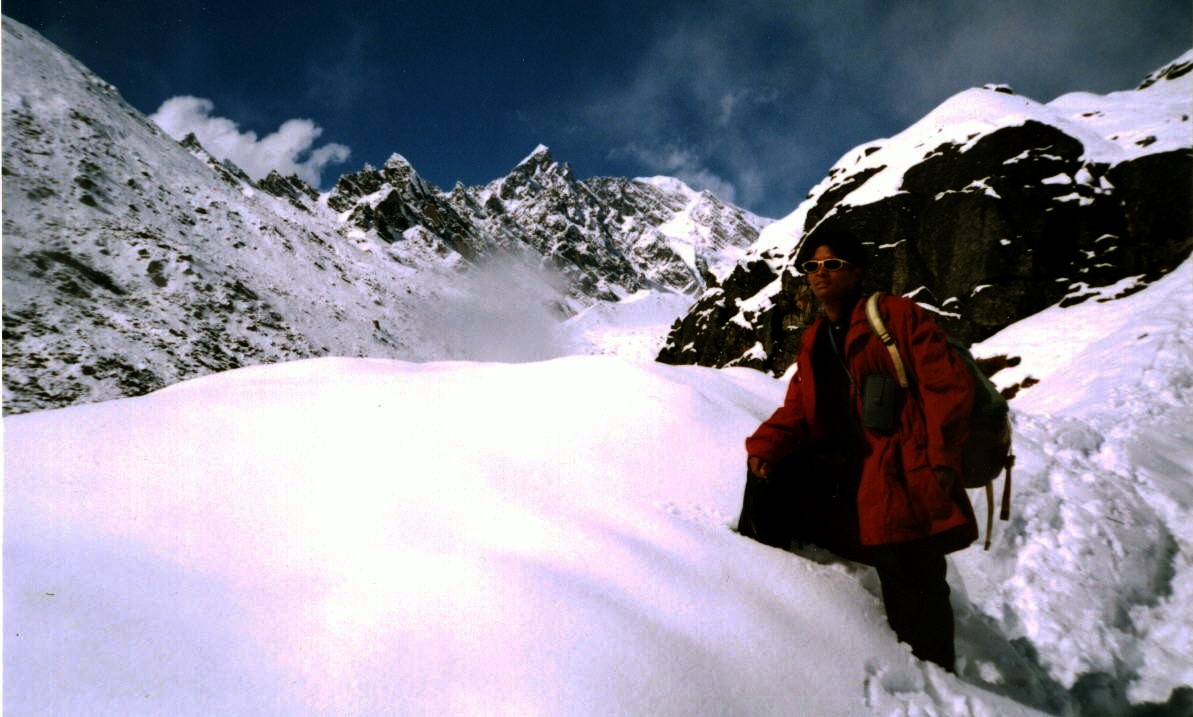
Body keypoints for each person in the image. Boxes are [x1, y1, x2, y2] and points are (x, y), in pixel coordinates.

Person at [742, 230, 979, 672]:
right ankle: (760, 584)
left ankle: (936, 675)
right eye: (811, 266)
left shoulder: (895, 316)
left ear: (855, 271)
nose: (819, 274)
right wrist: (766, 446)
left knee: (910, 565)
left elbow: (946, 387)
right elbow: (800, 405)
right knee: (768, 477)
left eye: (831, 264)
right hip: (847, 462)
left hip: (901, 461)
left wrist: (940, 457)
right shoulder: (815, 338)